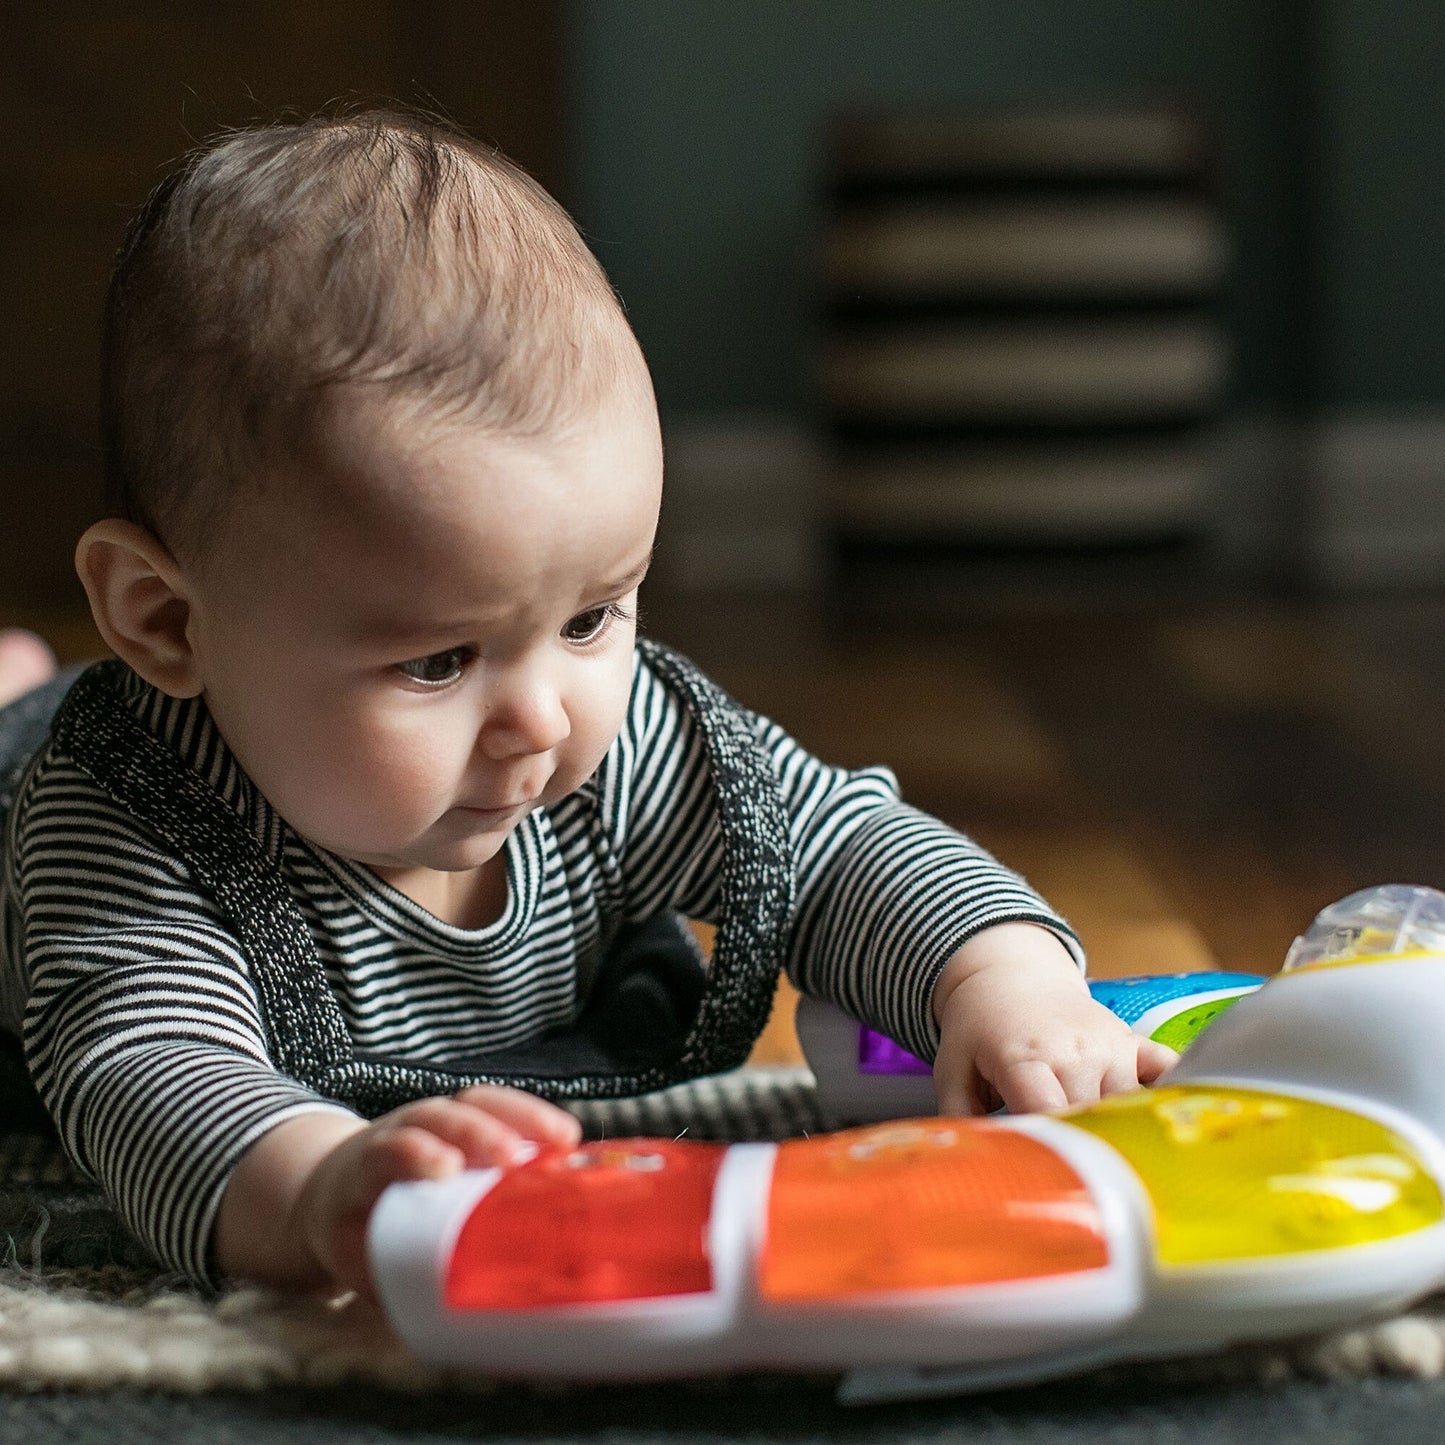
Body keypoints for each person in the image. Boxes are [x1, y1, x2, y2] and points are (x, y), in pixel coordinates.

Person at [0, 112, 1175, 1298]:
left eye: (589, 618)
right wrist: (320, 1189)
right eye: (439, 661)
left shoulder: (612, 750)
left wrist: (1002, 981)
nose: (543, 719)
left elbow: (839, 849)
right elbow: (150, 1074)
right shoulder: (122, 828)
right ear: (164, 618)